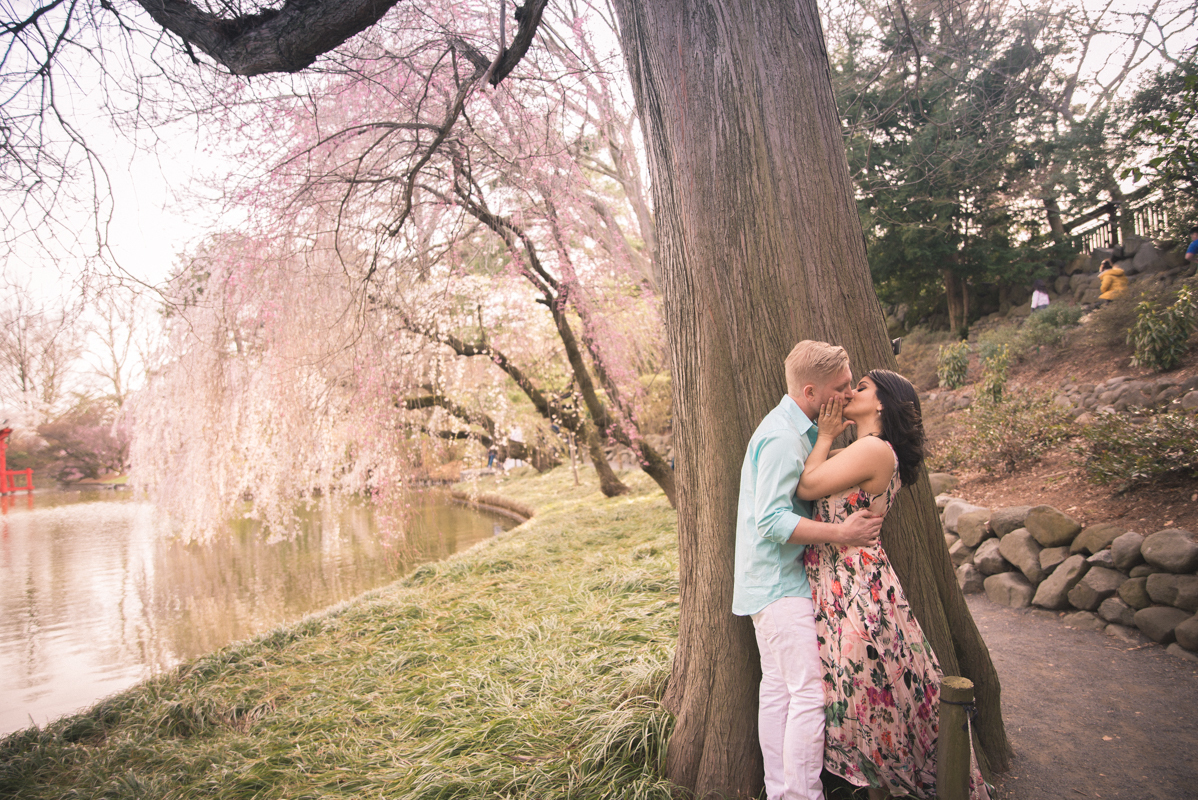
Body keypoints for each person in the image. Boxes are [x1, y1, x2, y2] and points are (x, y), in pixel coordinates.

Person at [798, 370, 989, 800]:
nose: (850, 393)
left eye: (861, 388)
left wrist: (825, 434)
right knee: (871, 690)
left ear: (881, 405)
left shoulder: (871, 448)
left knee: (864, 691)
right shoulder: (866, 448)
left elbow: (807, 484)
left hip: (853, 584)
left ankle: (886, 785)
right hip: (845, 579)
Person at [733, 340, 885, 800]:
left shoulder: (801, 429)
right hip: (778, 585)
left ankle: (781, 792)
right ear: (811, 390)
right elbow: (772, 520)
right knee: (809, 696)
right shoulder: (782, 436)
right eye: (840, 388)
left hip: (771, 581)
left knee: (779, 692)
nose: (846, 394)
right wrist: (843, 534)